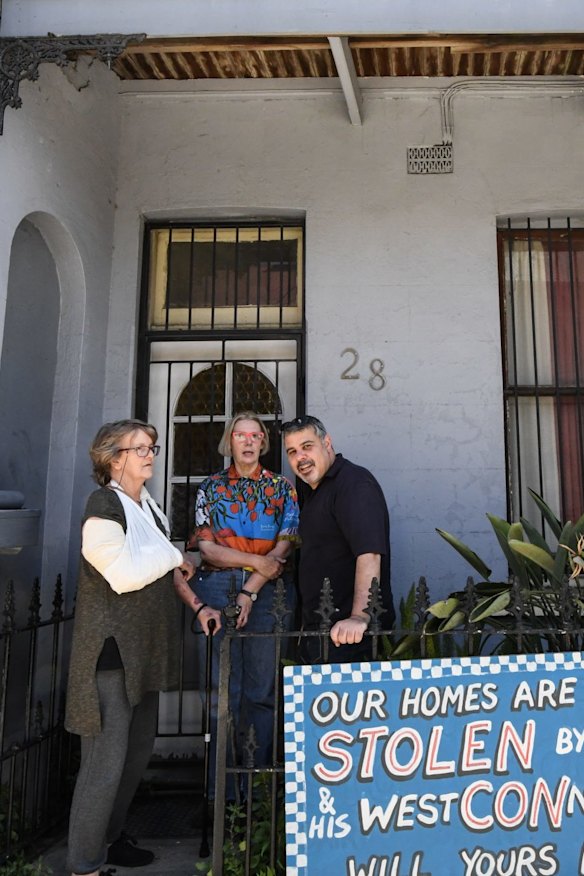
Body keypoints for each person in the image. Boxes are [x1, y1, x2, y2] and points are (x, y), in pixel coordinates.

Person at [65, 419, 221, 876]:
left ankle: (109, 840)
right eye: (140, 448)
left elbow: (158, 571)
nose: (151, 453)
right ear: (115, 458)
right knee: (105, 763)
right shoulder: (103, 505)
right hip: (111, 654)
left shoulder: (148, 508)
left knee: (134, 756)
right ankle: (84, 862)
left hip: (145, 653)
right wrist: (177, 555)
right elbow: (122, 573)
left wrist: (190, 595)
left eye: (152, 446)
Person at [188, 411, 300, 799]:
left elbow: (283, 545)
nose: (248, 441)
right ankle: (223, 797)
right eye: (240, 435)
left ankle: (259, 792)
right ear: (229, 441)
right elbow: (207, 549)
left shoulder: (282, 488)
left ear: (263, 443)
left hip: (267, 593)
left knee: (261, 692)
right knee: (224, 696)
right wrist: (255, 562)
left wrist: (250, 589)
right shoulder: (211, 488)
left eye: (256, 435)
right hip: (217, 589)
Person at [281, 414, 394, 663]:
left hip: (350, 638)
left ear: (327, 443)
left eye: (307, 447)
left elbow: (369, 552)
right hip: (323, 632)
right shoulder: (315, 492)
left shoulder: (353, 484)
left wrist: (360, 617)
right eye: (292, 451)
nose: (300, 457)